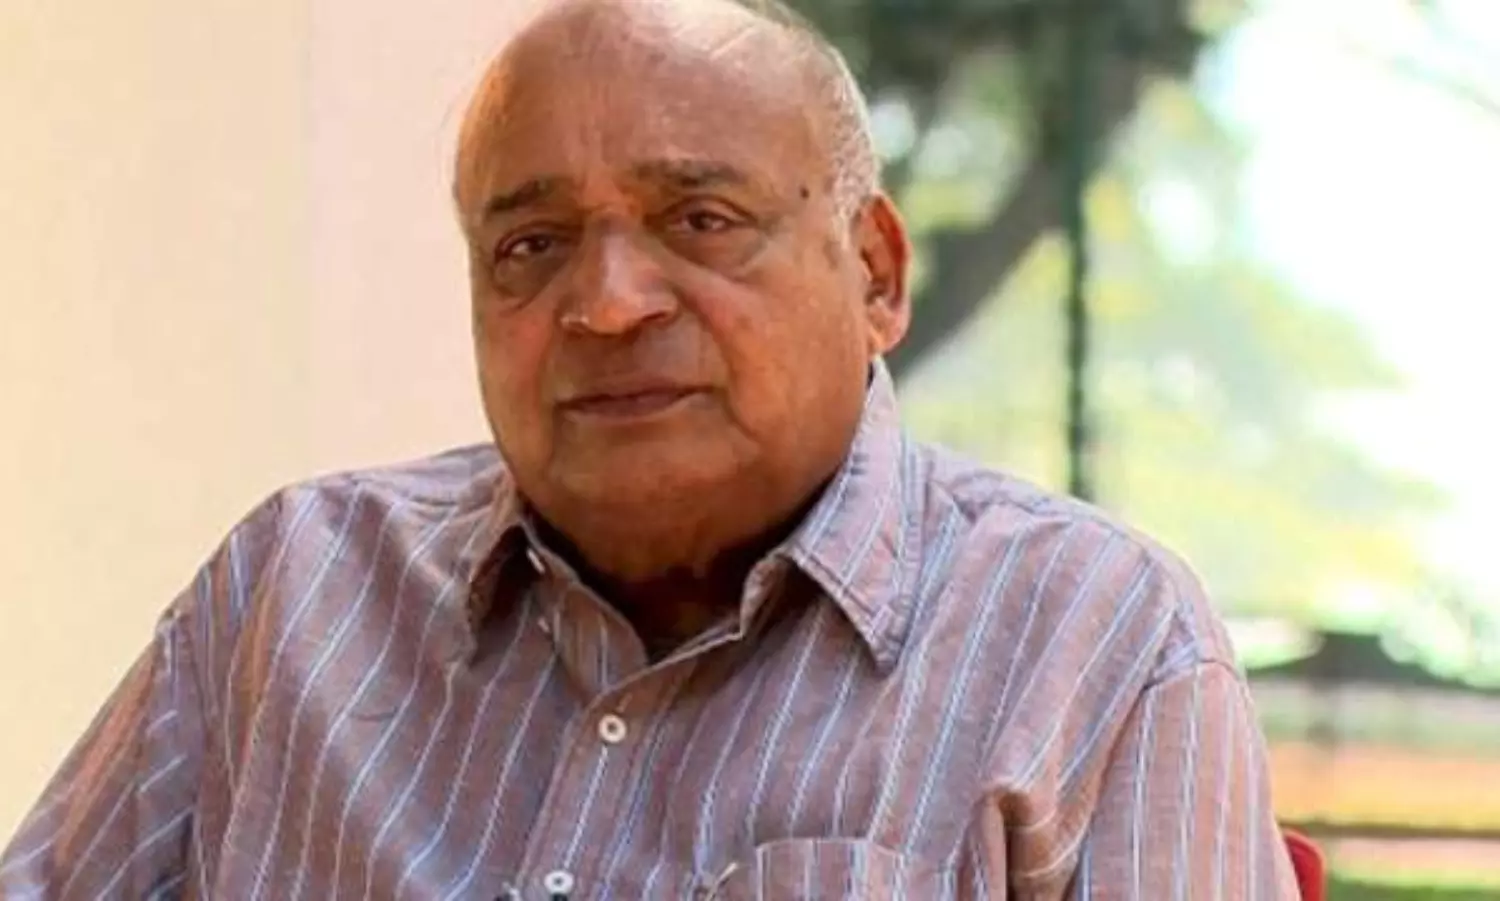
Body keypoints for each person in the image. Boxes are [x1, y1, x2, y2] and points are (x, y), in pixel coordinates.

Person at [0, 0, 1300, 897]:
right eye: (532, 245)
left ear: (875, 272)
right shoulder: (294, 591)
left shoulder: (1096, 643)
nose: (610, 303)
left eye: (701, 219)